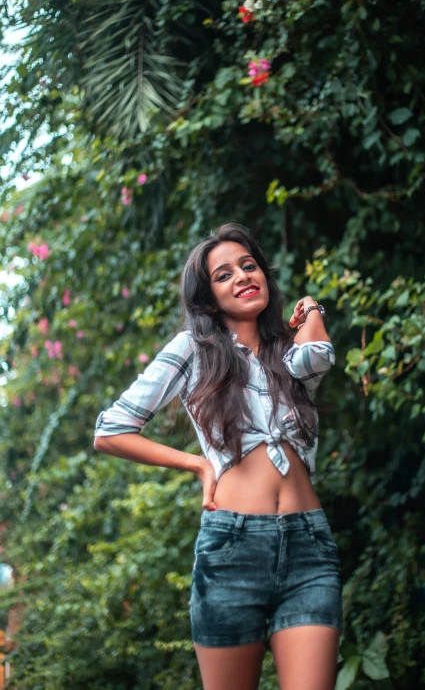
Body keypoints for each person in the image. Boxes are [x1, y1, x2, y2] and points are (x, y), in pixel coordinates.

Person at [93, 222, 343, 690]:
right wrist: (199, 464)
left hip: (309, 547)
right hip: (232, 549)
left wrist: (310, 306)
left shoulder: (287, 354)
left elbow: (319, 356)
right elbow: (110, 430)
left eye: (249, 266)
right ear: (207, 298)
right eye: (224, 274)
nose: (243, 277)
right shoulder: (194, 350)